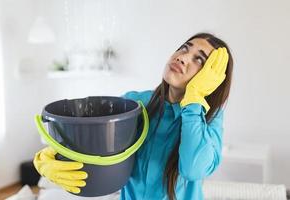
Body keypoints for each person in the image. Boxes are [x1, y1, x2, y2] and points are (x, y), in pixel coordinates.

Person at [33, 32, 233, 200]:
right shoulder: (136, 104)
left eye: (199, 59)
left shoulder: (210, 119)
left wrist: (195, 98)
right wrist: (46, 158)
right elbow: (89, 144)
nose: (183, 57)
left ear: (212, 78)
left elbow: (193, 169)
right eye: (183, 48)